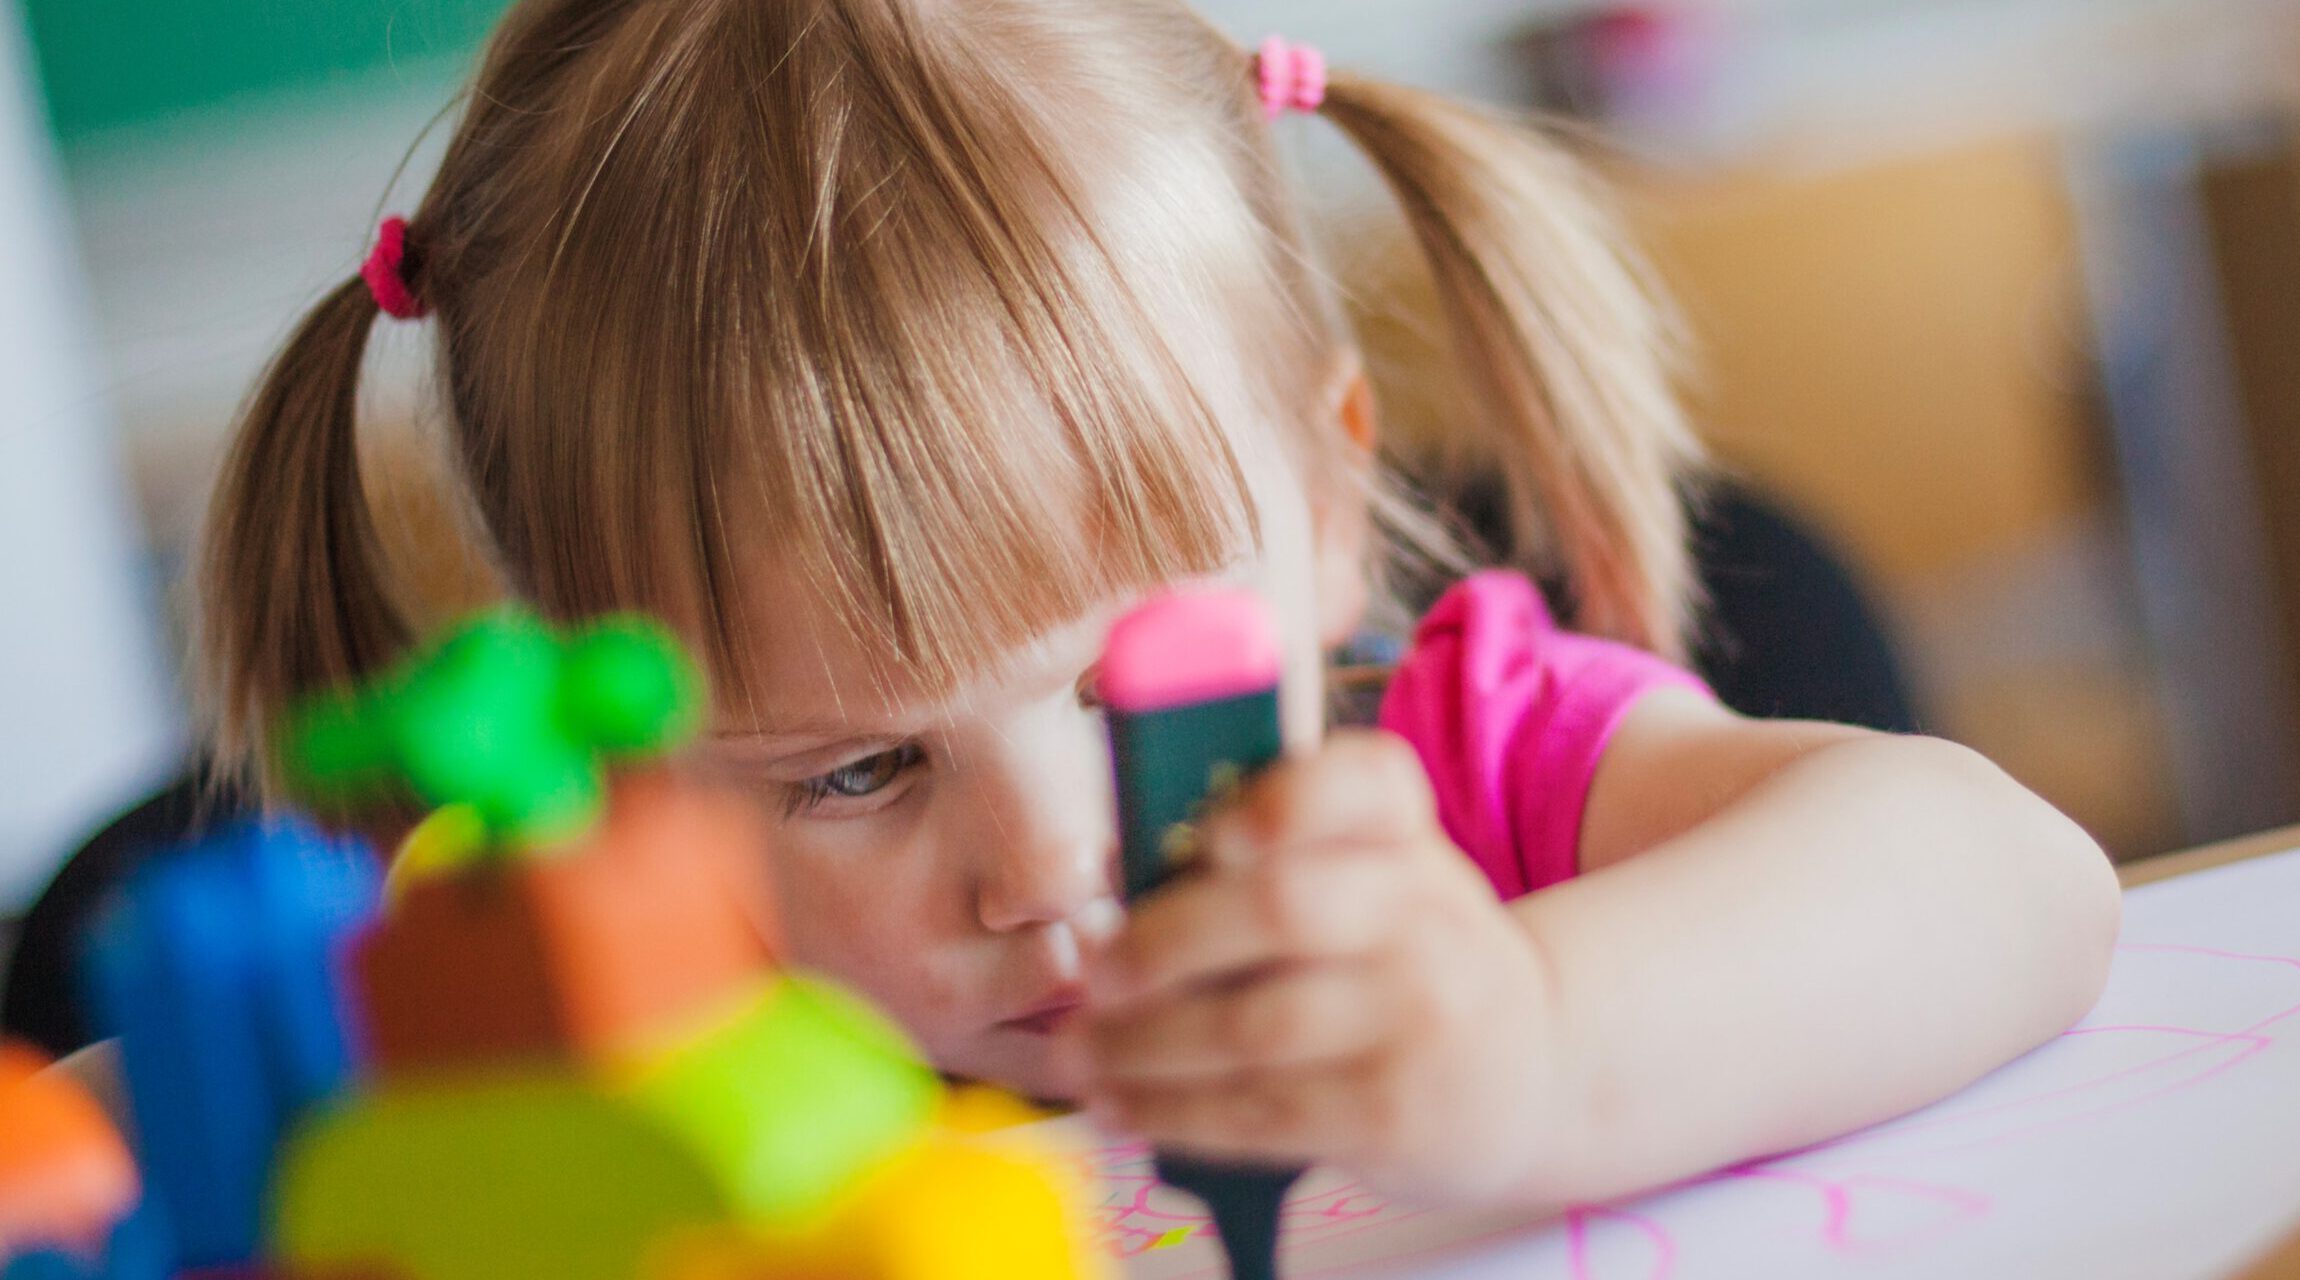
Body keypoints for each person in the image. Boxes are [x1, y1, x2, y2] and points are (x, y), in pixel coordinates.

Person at [195, 0, 2118, 1204]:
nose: (1049, 869)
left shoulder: (1473, 777)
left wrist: (1528, 1038)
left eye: (1138, 689)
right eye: (855, 771)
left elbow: (2012, 881)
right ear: (610, 738)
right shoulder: (631, 974)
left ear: (1330, 495)